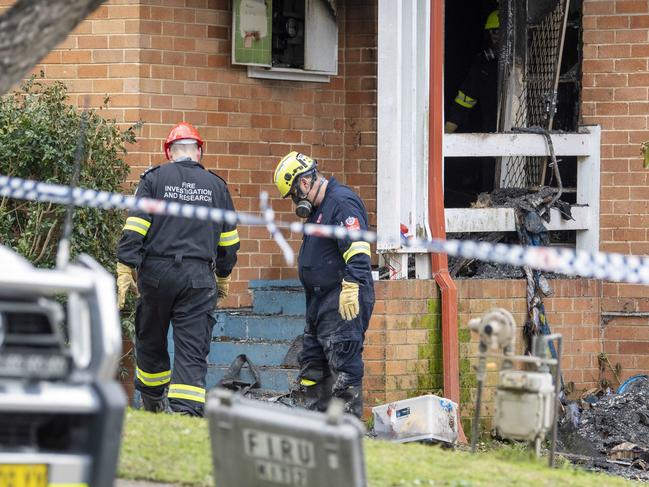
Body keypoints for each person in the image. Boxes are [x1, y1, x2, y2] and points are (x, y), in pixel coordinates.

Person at [116, 122, 240, 416]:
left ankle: (153, 402)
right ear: (198, 151)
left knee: (151, 338)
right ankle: (186, 412)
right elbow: (229, 241)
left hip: (156, 275)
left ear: (169, 152)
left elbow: (135, 227)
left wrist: (124, 267)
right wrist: (222, 275)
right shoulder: (217, 187)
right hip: (199, 278)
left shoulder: (154, 179)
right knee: (192, 347)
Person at [273, 151, 374, 418]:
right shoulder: (319, 210)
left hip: (342, 300)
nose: (295, 201)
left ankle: (348, 430)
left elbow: (359, 249)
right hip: (320, 303)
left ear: (304, 183)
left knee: (344, 366)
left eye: (293, 194)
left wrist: (351, 286)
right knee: (313, 367)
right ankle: (316, 428)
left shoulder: (341, 203)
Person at [445, 9, 499, 134]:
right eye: (493, 31)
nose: (496, 36)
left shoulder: (522, 65)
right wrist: (447, 131)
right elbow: (465, 98)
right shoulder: (483, 65)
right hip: (491, 134)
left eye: (500, 31)